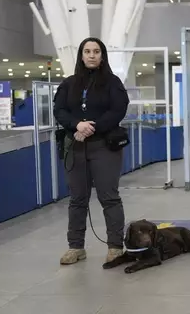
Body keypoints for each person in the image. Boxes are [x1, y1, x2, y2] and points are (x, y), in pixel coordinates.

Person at [53, 37, 130, 266]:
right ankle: (76, 246)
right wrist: (77, 125)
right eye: (87, 51)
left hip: (105, 146)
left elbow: (118, 110)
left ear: (102, 55)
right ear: (81, 55)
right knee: (77, 199)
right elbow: (60, 109)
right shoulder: (69, 84)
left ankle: (115, 246)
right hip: (75, 146)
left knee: (109, 197)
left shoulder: (112, 82)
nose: (92, 55)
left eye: (96, 51)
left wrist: (91, 127)